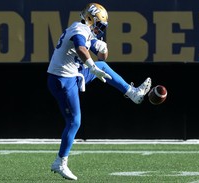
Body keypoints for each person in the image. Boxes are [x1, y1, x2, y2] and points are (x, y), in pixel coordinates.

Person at [47, 3, 151, 180]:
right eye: (99, 24)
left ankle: (132, 92)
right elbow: (81, 49)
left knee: (102, 65)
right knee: (74, 122)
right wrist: (93, 67)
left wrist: (102, 50)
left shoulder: (85, 32)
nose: (100, 28)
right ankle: (60, 162)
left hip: (72, 75)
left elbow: (101, 57)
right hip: (62, 80)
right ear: (89, 18)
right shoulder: (79, 28)